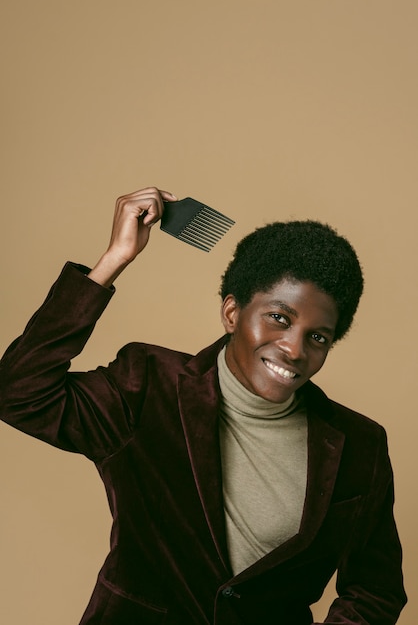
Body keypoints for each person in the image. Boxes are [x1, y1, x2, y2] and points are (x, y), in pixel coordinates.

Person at [0, 187, 406, 624]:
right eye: (280, 318)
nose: (293, 349)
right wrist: (113, 261)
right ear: (232, 313)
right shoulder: (148, 386)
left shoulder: (359, 444)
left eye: (318, 337)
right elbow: (19, 393)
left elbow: (374, 588)